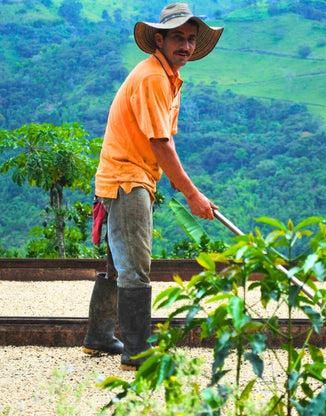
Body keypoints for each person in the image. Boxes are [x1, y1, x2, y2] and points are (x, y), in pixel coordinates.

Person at [82, 3, 224, 370]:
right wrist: (192, 194)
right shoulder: (153, 78)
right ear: (159, 39)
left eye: (192, 39)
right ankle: (136, 352)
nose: (187, 46)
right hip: (128, 180)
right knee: (135, 268)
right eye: (179, 38)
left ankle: (99, 337)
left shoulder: (167, 77)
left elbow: (164, 143)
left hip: (127, 177)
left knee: (120, 266)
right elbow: (161, 143)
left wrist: (188, 189)